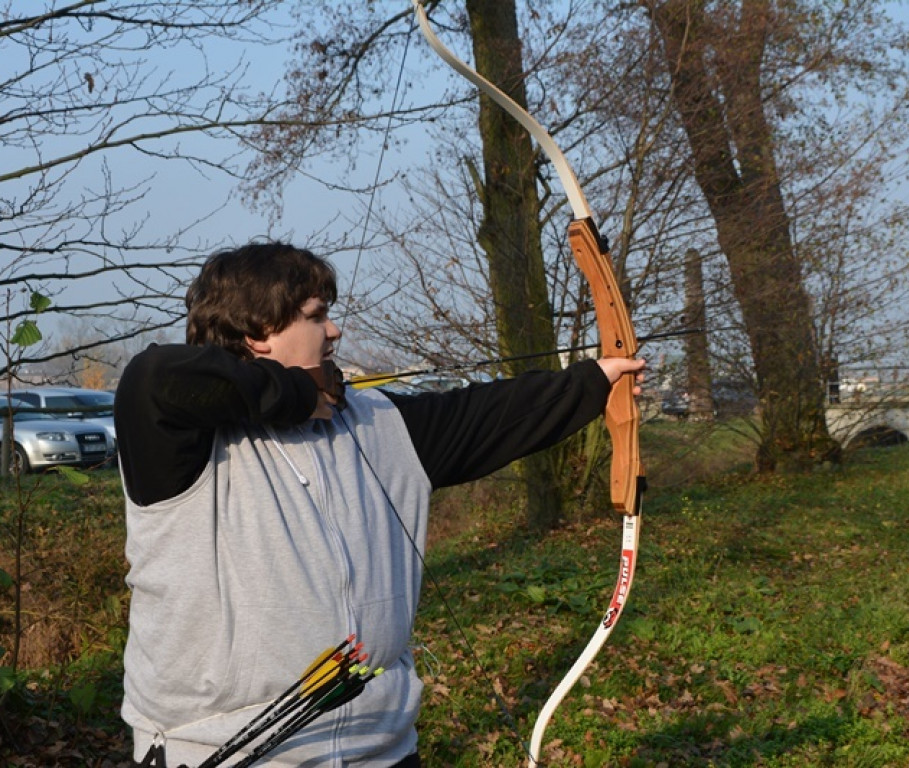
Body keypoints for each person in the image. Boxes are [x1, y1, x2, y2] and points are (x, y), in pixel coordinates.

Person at [115, 242, 645, 768]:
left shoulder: (376, 422)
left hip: (383, 752)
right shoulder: (180, 446)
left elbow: (491, 414)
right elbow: (155, 378)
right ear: (257, 333)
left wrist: (597, 381)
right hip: (220, 755)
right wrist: (296, 395)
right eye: (316, 316)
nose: (334, 330)